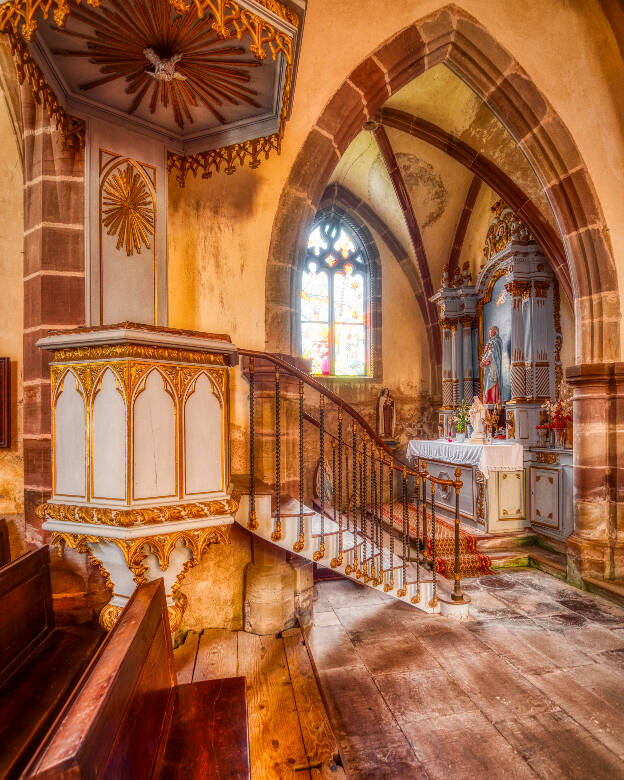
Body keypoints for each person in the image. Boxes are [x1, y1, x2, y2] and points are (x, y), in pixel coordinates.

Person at [480, 325, 503, 404]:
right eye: (489, 330)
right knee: (487, 384)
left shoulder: (496, 341)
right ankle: (488, 402)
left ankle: (493, 401)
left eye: (491, 330)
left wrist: (485, 361)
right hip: (488, 368)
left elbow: (492, 354)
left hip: (493, 368)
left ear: (495, 332)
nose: (489, 332)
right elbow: (486, 354)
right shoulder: (490, 342)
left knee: (492, 383)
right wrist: (483, 361)